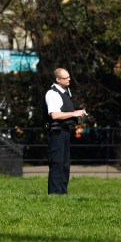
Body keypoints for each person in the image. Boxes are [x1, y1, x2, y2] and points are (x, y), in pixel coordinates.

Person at [44, 67, 88, 195]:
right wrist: (74, 114)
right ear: (58, 79)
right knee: (57, 162)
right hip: (56, 132)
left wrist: (76, 114)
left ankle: (63, 192)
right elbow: (55, 115)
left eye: (69, 77)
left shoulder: (65, 91)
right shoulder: (52, 94)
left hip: (64, 132)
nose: (69, 79)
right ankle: (55, 194)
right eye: (65, 78)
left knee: (64, 164)